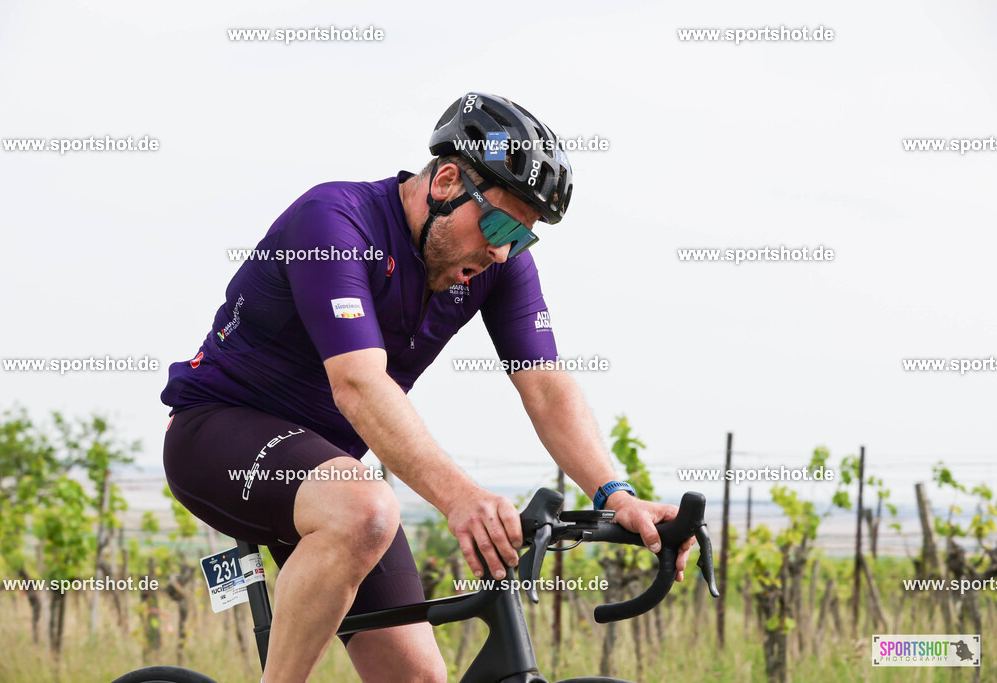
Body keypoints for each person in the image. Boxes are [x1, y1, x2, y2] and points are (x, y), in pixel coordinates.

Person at [160, 92, 694, 682]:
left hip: (332, 472)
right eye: (497, 225)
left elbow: (546, 386)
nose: (501, 251)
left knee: (418, 678)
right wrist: (461, 498)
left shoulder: (498, 265)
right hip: (217, 432)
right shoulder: (333, 220)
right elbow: (358, 383)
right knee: (366, 508)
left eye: (521, 238)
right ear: (445, 181)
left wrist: (615, 496)